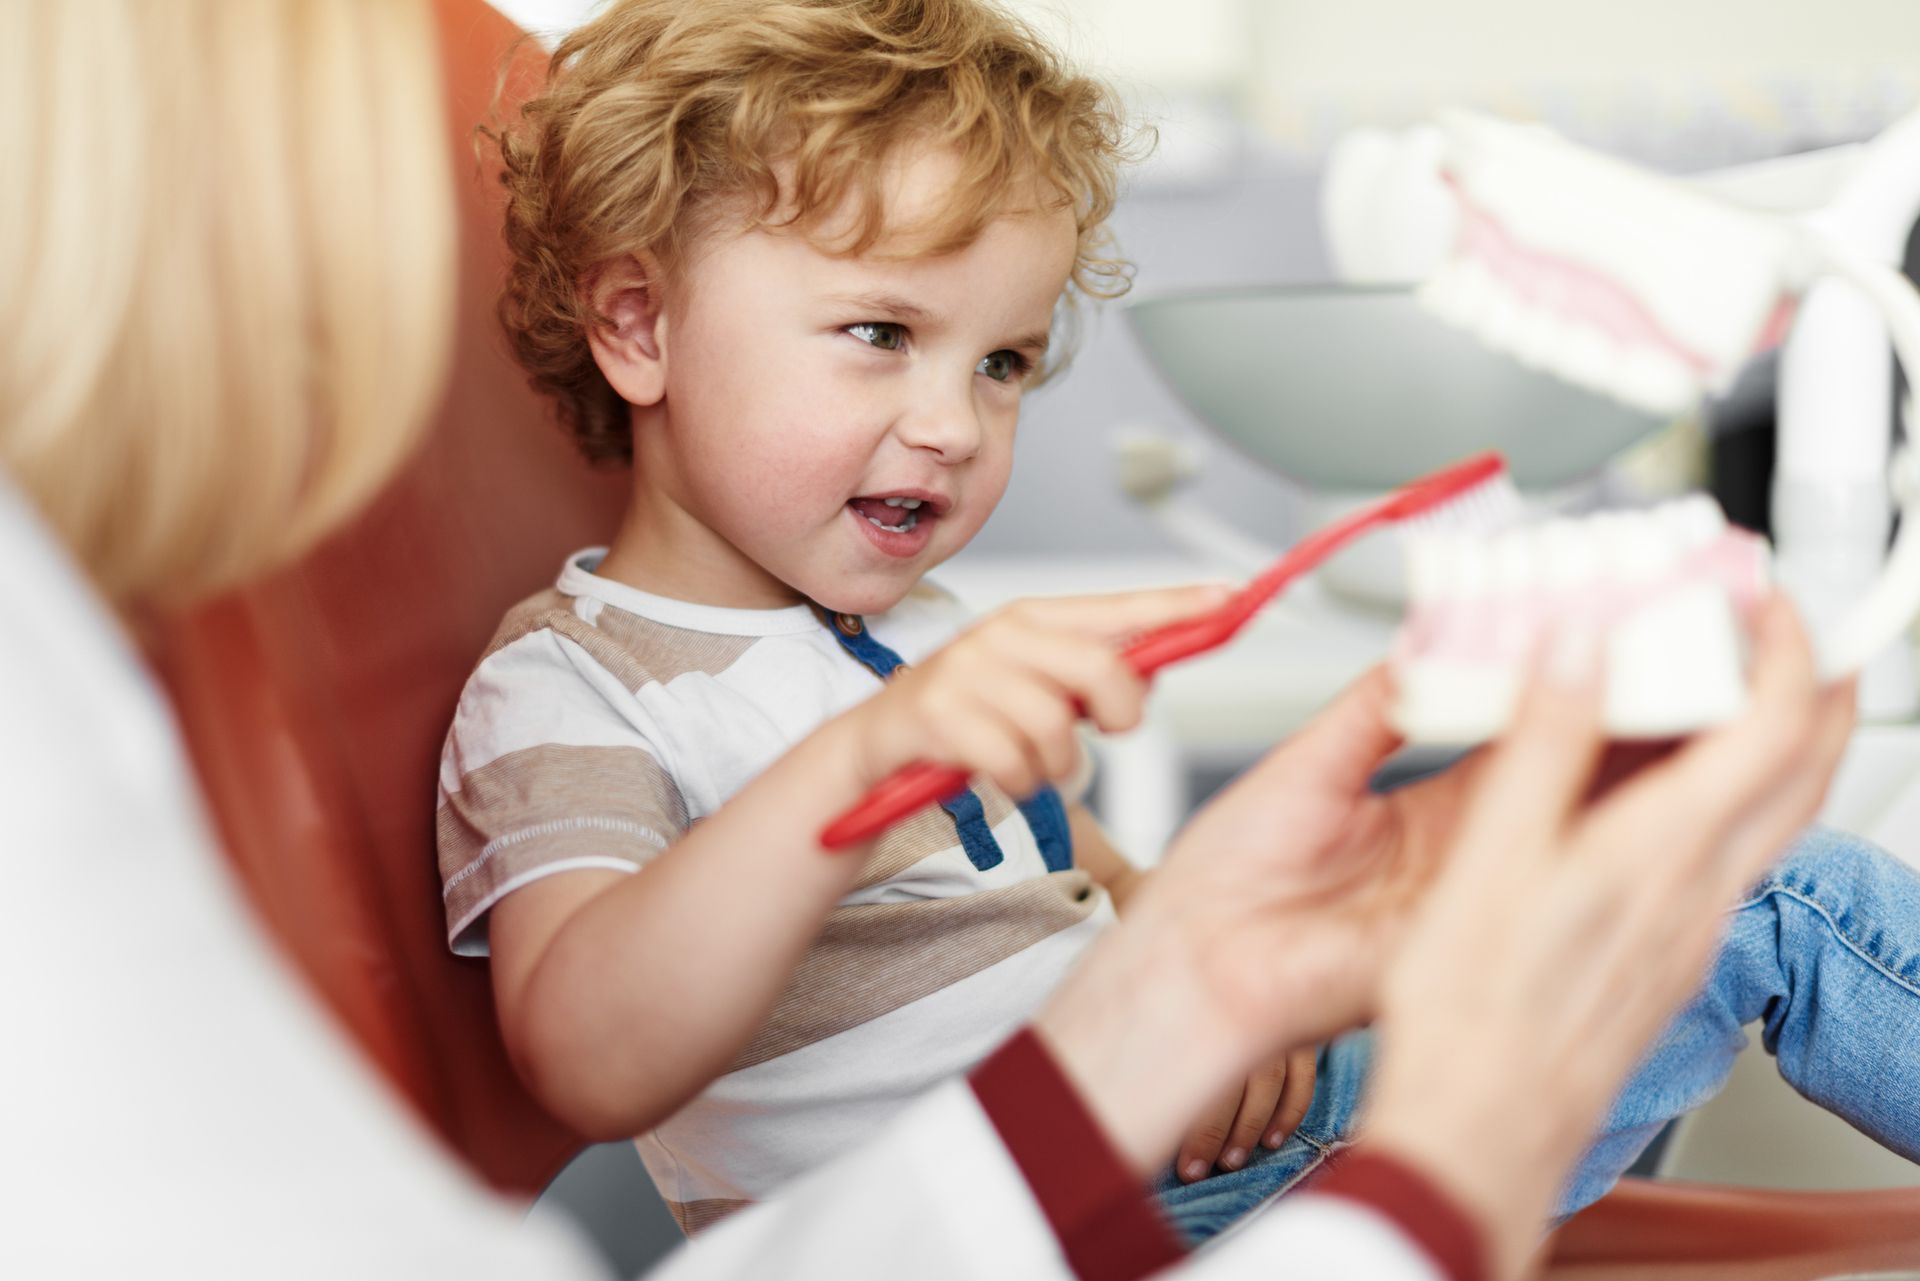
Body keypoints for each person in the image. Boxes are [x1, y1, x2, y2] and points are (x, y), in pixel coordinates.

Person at [0, 3, 1861, 1281]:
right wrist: (874, 776)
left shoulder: (891, 650)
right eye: (880, 337)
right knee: (1775, 893)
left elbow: (1070, 890)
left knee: (1633, 833)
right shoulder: (563, 690)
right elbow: (589, 1044)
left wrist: (1228, 972)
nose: (958, 422)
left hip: (1202, 1151)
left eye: (1001, 363)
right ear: (637, 329)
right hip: (1110, 1221)